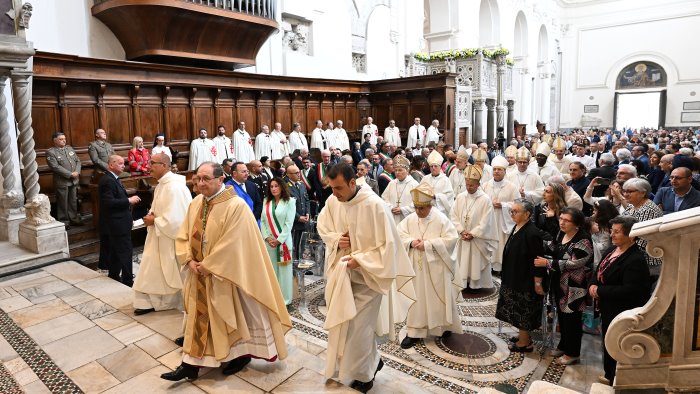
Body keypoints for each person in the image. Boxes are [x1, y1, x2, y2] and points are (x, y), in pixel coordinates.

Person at [162, 162, 291, 382]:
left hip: (227, 276)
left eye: (206, 179)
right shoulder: (196, 203)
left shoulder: (236, 206)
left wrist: (209, 265)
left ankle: (240, 356)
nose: (200, 184)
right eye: (197, 179)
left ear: (221, 179)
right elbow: (183, 235)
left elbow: (234, 243)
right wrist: (189, 259)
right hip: (198, 273)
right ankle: (191, 365)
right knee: (199, 317)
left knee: (232, 318)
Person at [317, 163, 415, 393]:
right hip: (341, 277)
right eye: (331, 188)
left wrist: (360, 260)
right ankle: (373, 362)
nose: (335, 193)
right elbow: (323, 226)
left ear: (353, 183)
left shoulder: (375, 206)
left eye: (339, 188)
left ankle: (365, 375)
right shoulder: (333, 202)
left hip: (368, 279)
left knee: (359, 330)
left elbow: (388, 247)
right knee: (344, 326)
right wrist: (336, 239)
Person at [397, 182, 462, 349]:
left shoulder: (440, 219)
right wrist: (411, 242)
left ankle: (443, 326)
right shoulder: (410, 218)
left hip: (436, 268)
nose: (418, 211)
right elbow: (399, 234)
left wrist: (428, 244)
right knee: (417, 298)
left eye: (422, 208)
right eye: (416, 207)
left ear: (430, 205)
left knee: (438, 297)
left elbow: (452, 239)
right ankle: (414, 332)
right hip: (416, 268)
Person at [589, 215, 651, 386]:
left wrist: (600, 290)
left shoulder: (635, 259)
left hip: (621, 309)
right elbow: (599, 270)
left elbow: (631, 290)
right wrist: (593, 284)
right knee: (608, 341)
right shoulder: (611, 250)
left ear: (631, 235)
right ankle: (609, 373)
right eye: (611, 231)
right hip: (607, 306)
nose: (612, 235)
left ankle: (616, 377)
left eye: (617, 232)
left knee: (617, 343)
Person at [133, 153, 192, 314]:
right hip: (159, 235)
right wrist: (151, 215)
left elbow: (179, 219)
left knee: (169, 272)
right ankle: (151, 302)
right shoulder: (161, 185)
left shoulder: (175, 187)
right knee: (152, 269)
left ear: (164, 166)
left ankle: (170, 302)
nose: (148, 166)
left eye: (152, 163)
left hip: (170, 238)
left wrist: (155, 221)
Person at [535, 207, 593, 365]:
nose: (561, 222)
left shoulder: (583, 239)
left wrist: (547, 262)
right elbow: (553, 248)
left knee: (572, 320)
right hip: (559, 282)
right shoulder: (561, 233)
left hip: (575, 286)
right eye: (560, 219)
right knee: (562, 317)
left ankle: (573, 353)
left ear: (577, 224)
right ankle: (563, 345)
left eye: (566, 220)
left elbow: (576, 263)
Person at [495, 199, 547, 353]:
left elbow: (538, 259)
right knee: (515, 309)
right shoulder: (518, 227)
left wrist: (538, 282)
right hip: (514, 276)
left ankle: (525, 343)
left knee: (524, 310)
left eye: (515, 211)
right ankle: (522, 337)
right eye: (511, 211)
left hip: (525, 279)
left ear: (527, 214)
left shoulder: (532, 233)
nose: (512, 214)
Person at [451, 164, 498, 292]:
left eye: (471, 185)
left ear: (478, 184)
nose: (469, 187)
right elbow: (453, 215)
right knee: (462, 260)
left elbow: (486, 221)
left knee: (476, 261)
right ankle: (463, 282)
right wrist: (461, 230)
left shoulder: (485, 199)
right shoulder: (460, 197)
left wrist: (473, 233)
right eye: (467, 184)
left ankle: (476, 284)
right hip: (463, 236)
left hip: (477, 239)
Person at [99, 155, 141, 287]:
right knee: (125, 251)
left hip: (119, 222)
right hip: (117, 223)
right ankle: (128, 280)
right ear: (111, 165)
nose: (124, 166)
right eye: (121, 163)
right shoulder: (108, 180)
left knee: (117, 251)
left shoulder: (113, 179)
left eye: (124, 163)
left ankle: (114, 274)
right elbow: (108, 202)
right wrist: (129, 200)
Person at [261, 178, 297, 306]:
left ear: (282, 187)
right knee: (271, 270)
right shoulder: (266, 201)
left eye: (276, 186)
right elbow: (263, 221)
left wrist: (279, 240)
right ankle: (273, 298)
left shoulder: (290, 202)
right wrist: (267, 237)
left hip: (283, 243)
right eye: (271, 186)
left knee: (284, 272)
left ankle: (285, 301)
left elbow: (289, 224)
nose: (274, 189)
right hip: (269, 243)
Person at [482, 155, 520, 272]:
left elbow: (517, 205)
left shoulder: (512, 187)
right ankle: (489, 267)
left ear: (505, 171)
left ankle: (501, 268)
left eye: (499, 169)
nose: (496, 171)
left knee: (501, 245)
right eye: (494, 169)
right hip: (489, 220)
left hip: (504, 222)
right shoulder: (485, 185)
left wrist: (503, 205)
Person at [621, 178, 663, 277]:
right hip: (632, 253)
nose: (626, 194)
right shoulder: (632, 205)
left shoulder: (648, 210)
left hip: (647, 260)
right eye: (624, 191)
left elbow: (641, 239)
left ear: (642, 193)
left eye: (630, 191)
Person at [46, 131, 82, 227]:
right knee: (63, 202)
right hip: (62, 181)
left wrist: (77, 172)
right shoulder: (51, 152)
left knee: (73, 201)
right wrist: (70, 174)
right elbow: (55, 166)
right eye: (61, 139)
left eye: (64, 139)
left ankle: (74, 218)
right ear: (55, 141)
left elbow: (78, 161)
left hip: (73, 180)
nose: (63, 141)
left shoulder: (69, 148)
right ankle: (64, 221)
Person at [381, 155, 418, 224]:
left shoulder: (414, 184)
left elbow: (417, 203)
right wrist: (391, 208)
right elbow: (384, 199)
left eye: (400, 170)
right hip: (392, 218)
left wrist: (402, 210)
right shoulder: (392, 183)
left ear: (407, 170)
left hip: (407, 219)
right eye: (395, 170)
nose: (397, 172)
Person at [284, 165, 309, 259]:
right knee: (294, 245)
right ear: (288, 175)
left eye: (299, 172)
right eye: (296, 173)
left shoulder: (301, 184)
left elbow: (306, 200)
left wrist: (307, 213)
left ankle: (301, 262)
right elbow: (286, 206)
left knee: (302, 244)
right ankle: (295, 265)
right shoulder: (285, 187)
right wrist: (298, 217)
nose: (299, 174)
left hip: (304, 220)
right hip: (294, 222)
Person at [420, 150, 454, 215]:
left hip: (440, 211)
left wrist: (436, 196)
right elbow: (420, 192)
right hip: (426, 209)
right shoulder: (425, 178)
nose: (433, 168)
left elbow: (449, 196)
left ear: (440, 167)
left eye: (435, 166)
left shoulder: (445, 180)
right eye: (431, 166)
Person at [590, 199, 619, 268]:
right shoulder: (596, 222)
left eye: (596, 210)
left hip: (601, 258)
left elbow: (604, 247)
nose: (593, 212)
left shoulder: (605, 228)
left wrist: (590, 243)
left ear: (602, 213)